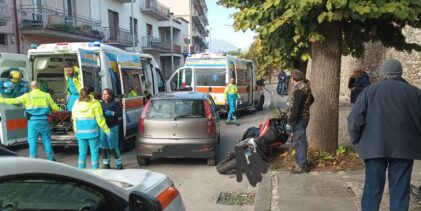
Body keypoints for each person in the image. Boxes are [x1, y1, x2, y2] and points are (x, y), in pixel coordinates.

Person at [348, 59, 421, 211]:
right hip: (404, 148)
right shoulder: (415, 93)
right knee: (400, 191)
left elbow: (354, 120)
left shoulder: (369, 91)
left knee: (372, 190)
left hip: (374, 147)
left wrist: (356, 142)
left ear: (383, 73)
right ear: (400, 73)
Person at [0, 81, 62, 160]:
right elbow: (55, 108)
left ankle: (33, 158)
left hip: (32, 122)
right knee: (46, 140)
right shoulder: (46, 95)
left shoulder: (27, 96)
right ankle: (51, 158)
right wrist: (61, 109)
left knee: (32, 141)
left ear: (30, 87)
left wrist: (1, 99)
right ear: (38, 86)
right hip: (44, 121)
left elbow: (14, 101)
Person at [72, 87, 110, 169]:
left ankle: (81, 172)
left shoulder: (76, 103)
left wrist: (75, 130)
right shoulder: (95, 103)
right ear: (91, 93)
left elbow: (74, 118)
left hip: (81, 133)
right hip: (93, 133)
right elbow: (100, 119)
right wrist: (107, 130)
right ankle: (95, 171)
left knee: (82, 153)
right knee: (94, 153)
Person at [286, 69, 314, 174]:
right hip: (304, 117)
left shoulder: (299, 89)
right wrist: (305, 108)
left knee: (300, 141)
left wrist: (290, 121)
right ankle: (300, 162)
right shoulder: (305, 87)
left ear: (293, 79)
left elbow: (296, 108)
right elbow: (312, 99)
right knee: (298, 140)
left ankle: (302, 165)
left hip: (299, 119)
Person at [99, 88, 123, 169]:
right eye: (103, 94)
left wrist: (112, 113)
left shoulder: (115, 103)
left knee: (113, 146)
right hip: (103, 128)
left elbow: (120, 113)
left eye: (106, 94)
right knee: (104, 146)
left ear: (110, 95)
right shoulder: (99, 104)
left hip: (112, 127)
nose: (103, 95)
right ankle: (106, 163)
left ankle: (118, 163)